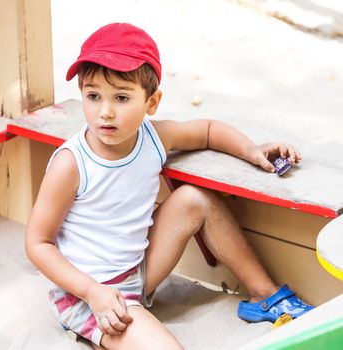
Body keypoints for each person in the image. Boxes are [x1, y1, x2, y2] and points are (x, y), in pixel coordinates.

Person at [25, 23, 313, 350]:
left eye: (121, 97)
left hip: (138, 270)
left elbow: (207, 130)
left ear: (152, 102)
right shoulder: (71, 163)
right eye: (93, 96)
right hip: (88, 296)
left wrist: (251, 149)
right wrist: (93, 292)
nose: (105, 112)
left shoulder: (153, 137)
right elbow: (38, 243)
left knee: (195, 198)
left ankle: (264, 294)